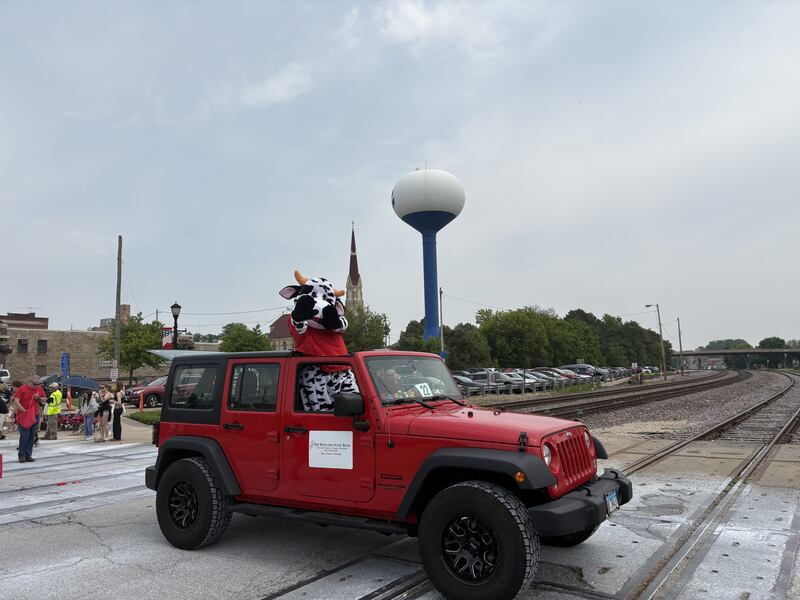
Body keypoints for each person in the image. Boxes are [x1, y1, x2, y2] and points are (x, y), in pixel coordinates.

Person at [12, 376, 45, 463]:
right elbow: (16, 401)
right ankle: (21, 456)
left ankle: (28, 455)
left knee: (32, 436)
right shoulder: (22, 389)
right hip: (24, 416)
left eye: (38, 384)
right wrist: (24, 411)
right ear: (30, 381)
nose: (37, 386)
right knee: (24, 436)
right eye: (35, 384)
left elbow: (44, 399)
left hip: (35, 415)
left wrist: (39, 398)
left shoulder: (39, 388)